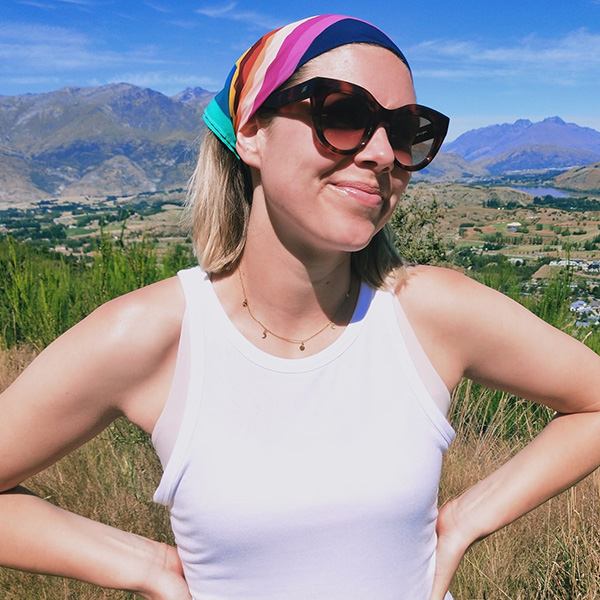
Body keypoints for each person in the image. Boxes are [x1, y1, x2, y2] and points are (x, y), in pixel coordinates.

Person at [1, 13, 600, 600]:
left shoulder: (428, 312)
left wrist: (466, 521)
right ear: (251, 132)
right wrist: (147, 564)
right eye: (343, 116)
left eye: (407, 130)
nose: (383, 154)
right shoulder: (152, 336)